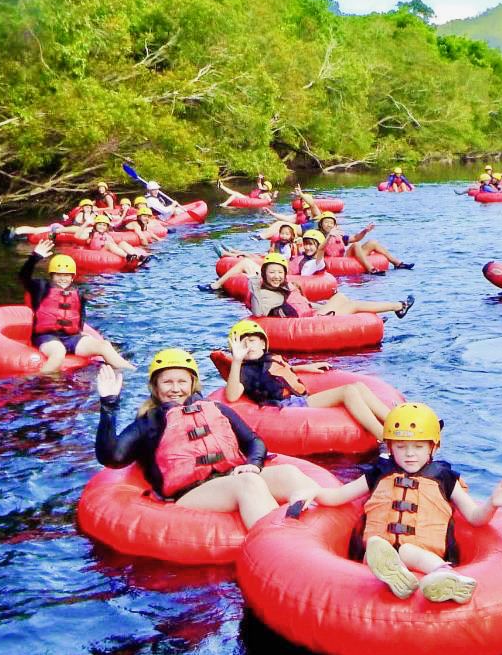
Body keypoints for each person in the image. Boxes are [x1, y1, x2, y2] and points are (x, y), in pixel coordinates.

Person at [297, 403, 502, 603]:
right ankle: (398, 576)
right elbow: (338, 496)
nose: (409, 454)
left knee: (407, 550)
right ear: (390, 447)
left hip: (423, 552)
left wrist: (493, 504)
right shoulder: (378, 474)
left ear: (432, 448)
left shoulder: (444, 478)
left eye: (418, 447)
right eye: (401, 447)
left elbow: (475, 517)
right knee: (375, 550)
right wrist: (314, 491)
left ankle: (443, 576)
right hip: (380, 554)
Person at [94, 352, 320, 528]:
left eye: (182, 382)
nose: (175, 389)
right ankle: (280, 540)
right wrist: (109, 405)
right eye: (167, 382)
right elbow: (112, 457)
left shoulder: (214, 409)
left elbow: (254, 441)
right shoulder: (150, 422)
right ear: (155, 387)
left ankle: (323, 510)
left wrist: (253, 464)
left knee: (287, 473)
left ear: (192, 384)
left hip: (229, 477)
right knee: (248, 484)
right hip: (190, 493)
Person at [223, 319, 392, 439]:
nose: (248, 347)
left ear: (262, 343)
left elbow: (280, 373)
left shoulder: (269, 358)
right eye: (242, 344)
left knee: (359, 386)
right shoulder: (244, 370)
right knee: (348, 391)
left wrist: (306, 367)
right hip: (285, 407)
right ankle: (384, 437)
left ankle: (394, 421)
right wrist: (237, 360)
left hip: (298, 399)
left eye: (251, 341)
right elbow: (232, 396)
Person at [23, 240, 138, 373]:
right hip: (47, 337)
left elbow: (79, 315)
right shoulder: (41, 287)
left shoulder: (77, 292)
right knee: (58, 352)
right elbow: (24, 276)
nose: (63, 278)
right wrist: (35, 257)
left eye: (66, 275)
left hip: (71, 338)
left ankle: (133, 372)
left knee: (104, 346)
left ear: (72, 277)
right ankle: (37, 380)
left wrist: (80, 332)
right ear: (52, 275)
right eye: (58, 275)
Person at [247, 253, 413, 320]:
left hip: (312, 315)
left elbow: (304, 304)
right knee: (352, 305)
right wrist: (253, 282)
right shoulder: (266, 294)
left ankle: (357, 320)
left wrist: (323, 305)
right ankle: (398, 306)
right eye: (271, 273)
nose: (276, 276)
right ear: (264, 274)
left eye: (279, 272)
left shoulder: (285, 288)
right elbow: (258, 311)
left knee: (339, 297)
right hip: (310, 323)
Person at [315, 213, 413, 273]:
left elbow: (355, 238)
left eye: (331, 223)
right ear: (321, 224)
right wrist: (329, 236)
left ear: (335, 225)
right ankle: (370, 268)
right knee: (356, 245)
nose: (329, 225)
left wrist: (365, 231)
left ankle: (397, 263)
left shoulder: (339, 235)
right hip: (334, 261)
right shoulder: (318, 235)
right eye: (326, 222)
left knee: (372, 242)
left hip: (344, 257)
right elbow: (319, 248)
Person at [69, 213, 149, 267]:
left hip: (110, 251)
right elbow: (77, 236)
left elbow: (114, 245)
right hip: (100, 253)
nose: (102, 227)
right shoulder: (91, 234)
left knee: (122, 243)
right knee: (109, 244)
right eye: (99, 224)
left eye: (104, 225)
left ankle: (139, 257)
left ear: (107, 227)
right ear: (95, 225)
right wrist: (86, 223)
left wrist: (119, 247)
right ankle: (127, 256)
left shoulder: (108, 235)